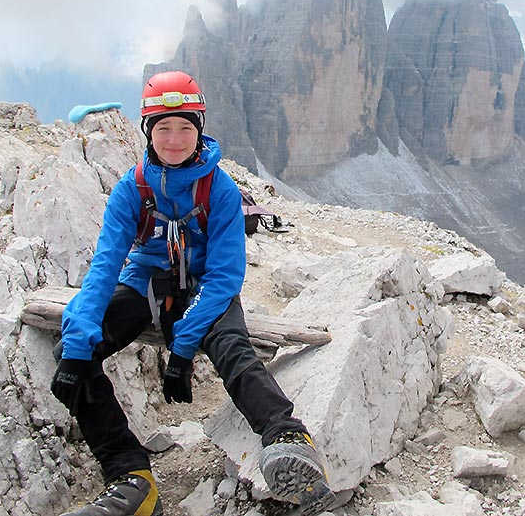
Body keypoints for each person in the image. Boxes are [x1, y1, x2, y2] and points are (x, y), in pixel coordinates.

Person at [50, 71, 334, 516]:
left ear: (200, 127)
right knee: (74, 355)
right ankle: (131, 478)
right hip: (147, 281)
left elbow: (224, 277)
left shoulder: (218, 187)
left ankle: (287, 437)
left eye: (186, 126)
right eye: (163, 128)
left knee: (230, 345)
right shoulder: (132, 188)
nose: (176, 138)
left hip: (206, 286)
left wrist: (182, 350)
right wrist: (79, 336)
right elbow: (104, 268)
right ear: (148, 132)